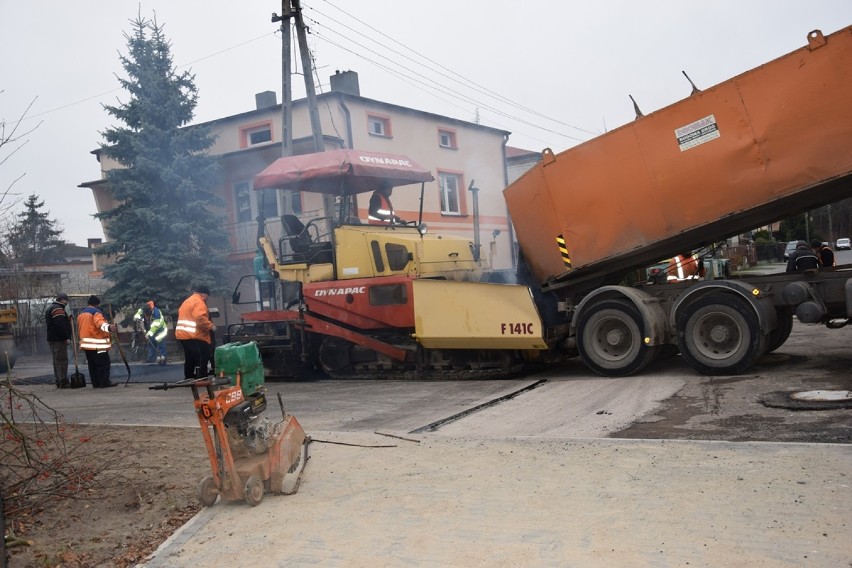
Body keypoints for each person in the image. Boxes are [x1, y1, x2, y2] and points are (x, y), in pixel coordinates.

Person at [175, 284, 216, 380]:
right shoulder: (199, 302)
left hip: (182, 335)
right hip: (193, 335)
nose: (207, 299)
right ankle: (202, 377)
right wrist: (211, 326)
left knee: (189, 357)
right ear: (203, 294)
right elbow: (199, 318)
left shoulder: (187, 301)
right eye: (207, 296)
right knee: (201, 356)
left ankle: (188, 377)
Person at [77, 295, 117, 388]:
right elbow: (100, 323)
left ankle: (96, 383)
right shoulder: (96, 312)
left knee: (92, 365)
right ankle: (104, 382)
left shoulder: (81, 314)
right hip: (98, 344)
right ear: (96, 304)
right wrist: (109, 327)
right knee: (103, 363)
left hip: (87, 345)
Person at [45, 292, 73, 389]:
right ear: (62, 300)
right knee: (62, 360)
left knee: (56, 360)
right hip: (59, 339)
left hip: (52, 339)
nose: (67, 302)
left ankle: (59, 380)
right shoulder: (58, 309)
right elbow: (60, 325)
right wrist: (66, 337)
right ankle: (63, 381)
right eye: (66, 300)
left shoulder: (51, 308)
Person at [133, 300, 168, 364]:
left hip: (161, 330)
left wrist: (148, 334)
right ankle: (151, 358)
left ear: (150, 312)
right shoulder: (144, 308)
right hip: (151, 330)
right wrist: (136, 317)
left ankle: (163, 357)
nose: (146, 316)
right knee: (151, 342)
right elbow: (139, 312)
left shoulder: (157, 313)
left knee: (160, 343)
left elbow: (156, 326)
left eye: (147, 315)